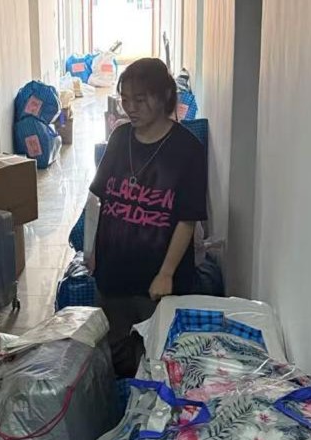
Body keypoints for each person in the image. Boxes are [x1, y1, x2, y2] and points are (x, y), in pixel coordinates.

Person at [85, 57, 208, 376]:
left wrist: (166, 273)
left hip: (157, 281)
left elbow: (187, 219)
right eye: (125, 100)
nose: (130, 108)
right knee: (114, 355)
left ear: (164, 96)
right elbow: (99, 199)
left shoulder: (187, 149)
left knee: (158, 360)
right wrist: (91, 251)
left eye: (140, 100)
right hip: (113, 274)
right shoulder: (119, 138)